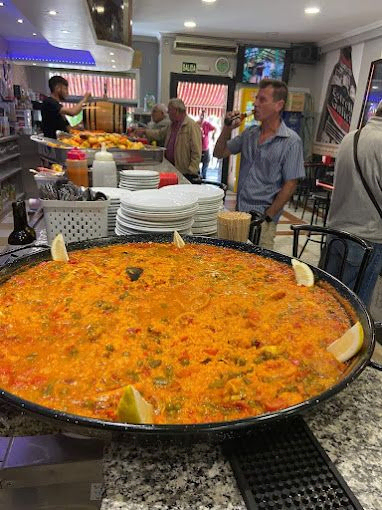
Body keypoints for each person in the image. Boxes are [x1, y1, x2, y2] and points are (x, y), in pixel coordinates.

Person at [213, 79, 305, 250]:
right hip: (240, 214)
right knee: (236, 261)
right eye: (256, 99)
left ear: (278, 105)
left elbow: (290, 184)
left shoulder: (291, 141)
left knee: (259, 267)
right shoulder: (250, 133)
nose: (255, 104)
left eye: (262, 100)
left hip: (263, 219)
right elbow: (219, 153)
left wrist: (268, 217)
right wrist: (227, 128)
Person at [325, 101, 382, 307]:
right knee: (353, 310)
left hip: (335, 232)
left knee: (328, 301)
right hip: (367, 238)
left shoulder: (350, 138)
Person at [145, 98, 202, 178]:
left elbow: (196, 151)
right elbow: (159, 134)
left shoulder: (191, 126)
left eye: (170, 110)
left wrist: (192, 170)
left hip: (185, 172)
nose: (168, 113)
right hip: (172, 169)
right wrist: (145, 131)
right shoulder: (171, 125)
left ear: (177, 110)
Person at [197, 110, 216, 179]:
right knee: (196, 163)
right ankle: (198, 176)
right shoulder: (196, 124)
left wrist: (213, 136)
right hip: (198, 147)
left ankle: (204, 177)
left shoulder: (207, 124)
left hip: (205, 147)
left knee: (206, 163)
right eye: (201, 115)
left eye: (204, 115)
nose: (202, 117)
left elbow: (215, 129)